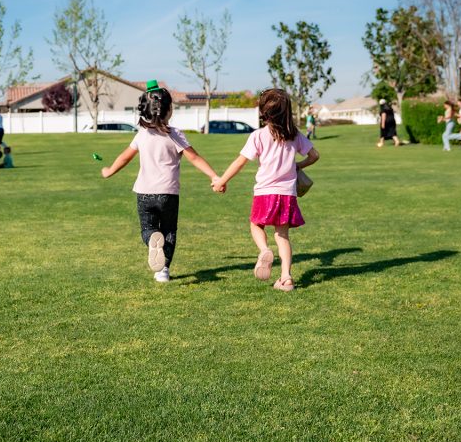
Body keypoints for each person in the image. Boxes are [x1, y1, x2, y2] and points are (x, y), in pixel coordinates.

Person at [100, 81, 221, 283]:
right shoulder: (174, 134)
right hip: (168, 194)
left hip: (144, 192)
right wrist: (214, 176)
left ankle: (151, 240)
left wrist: (109, 171)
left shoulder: (141, 134)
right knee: (169, 231)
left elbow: (124, 158)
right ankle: (163, 270)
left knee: (148, 228)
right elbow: (194, 158)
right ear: (169, 111)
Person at [212, 88, 320, 292]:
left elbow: (240, 162)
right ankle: (286, 278)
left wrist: (222, 181)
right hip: (287, 193)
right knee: (282, 236)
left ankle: (264, 250)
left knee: (256, 225)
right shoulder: (294, 135)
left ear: (264, 112)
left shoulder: (258, 136)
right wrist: (298, 166)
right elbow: (315, 155)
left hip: (264, 192)